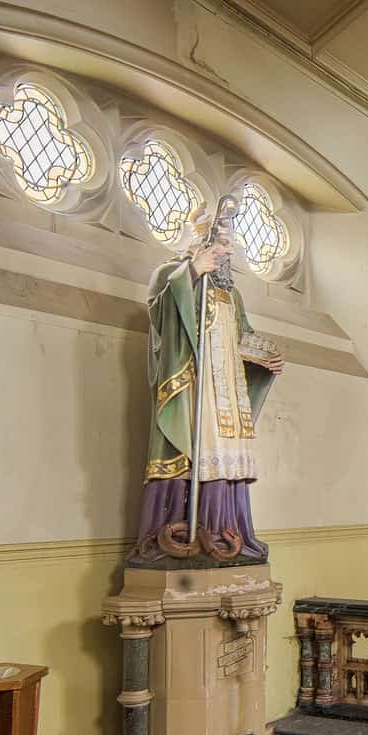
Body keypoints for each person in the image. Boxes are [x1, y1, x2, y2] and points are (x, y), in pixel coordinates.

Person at [129, 206, 284, 565]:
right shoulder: (171, 274)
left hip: (226, 396)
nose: (229, 251)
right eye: (223, 243)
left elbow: (240, 339)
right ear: (202, 240)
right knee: (190, 454)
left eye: (231, 244)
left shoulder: (233, 294)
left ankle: (224, 532)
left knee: (224, 457)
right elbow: (161, 319)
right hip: (193, 392)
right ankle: (177, 536)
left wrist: (264, 359)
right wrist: (192, 272)